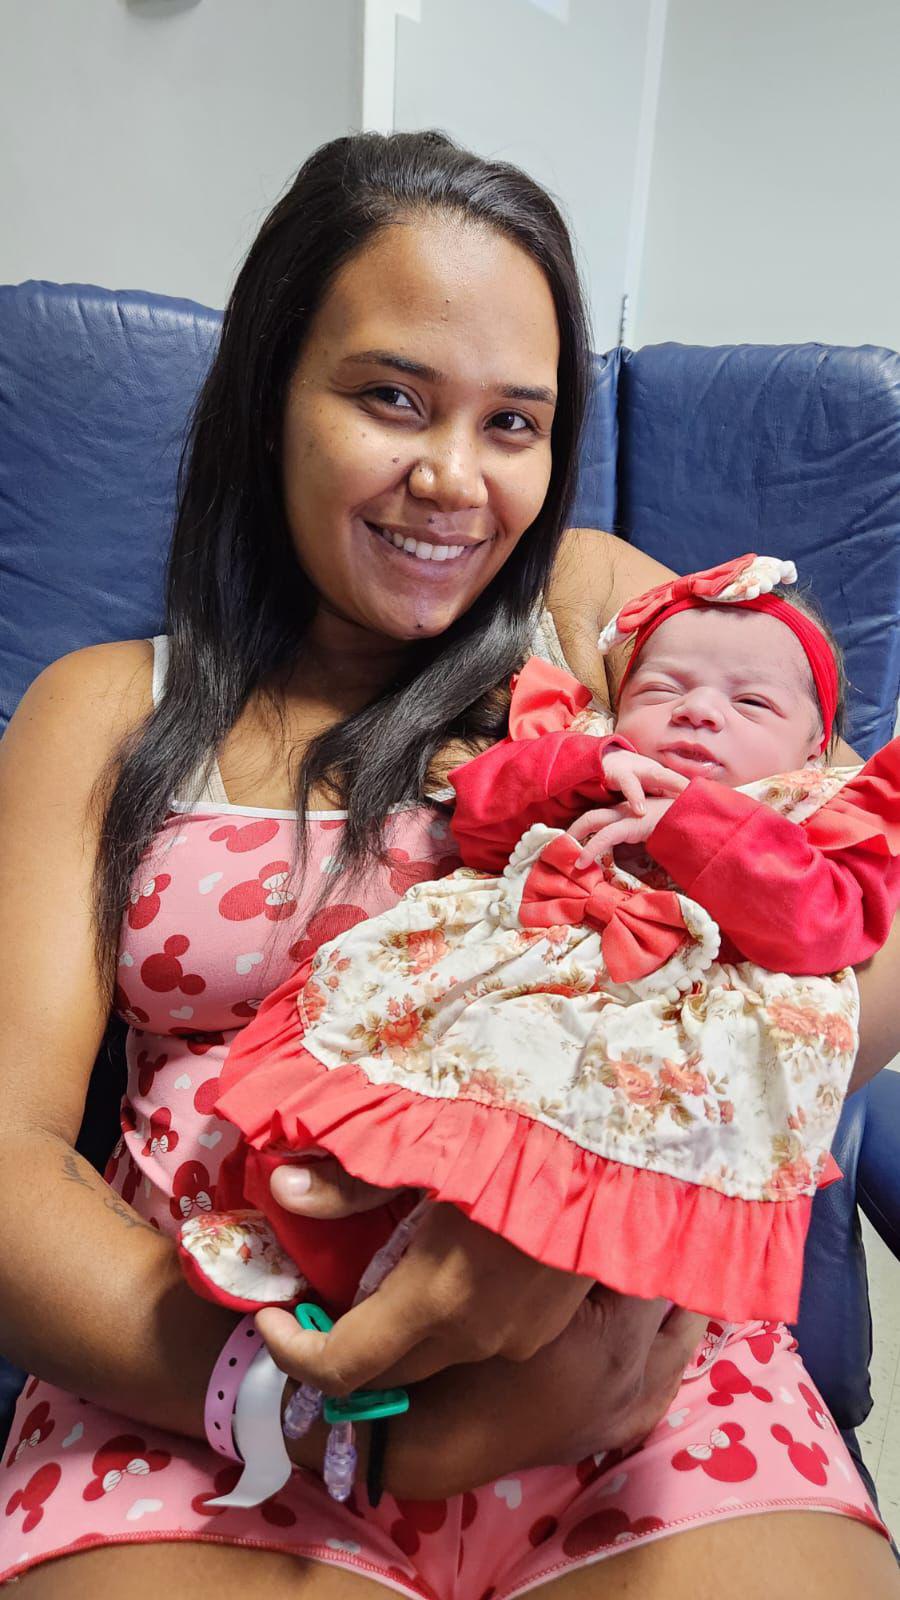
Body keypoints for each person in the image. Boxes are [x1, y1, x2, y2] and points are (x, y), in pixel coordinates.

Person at [0, 131, 898, 1600]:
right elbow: (8, 1154)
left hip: (622, 1372)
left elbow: (865, 887)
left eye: (514, 423)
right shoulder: (105, 712)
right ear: (271, 396)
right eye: (391, 397)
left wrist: (584, 1185)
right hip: (215, 1377)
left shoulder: (601, 619)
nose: (453, 480)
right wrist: (329, 1422)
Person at [184, 554, 900, 1342]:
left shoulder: (811, 810)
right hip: (516, 977)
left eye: (751, 702)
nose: (698, 711)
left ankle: (413, 1278)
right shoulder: (587, 749)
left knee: (564, 1134)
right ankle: (304, 1240)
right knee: (382, 1058)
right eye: (663, 690)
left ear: (814, 748)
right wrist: (589, 766)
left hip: (659, 1031)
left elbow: (828, 924)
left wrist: (687, 824)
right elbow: (482, 823)